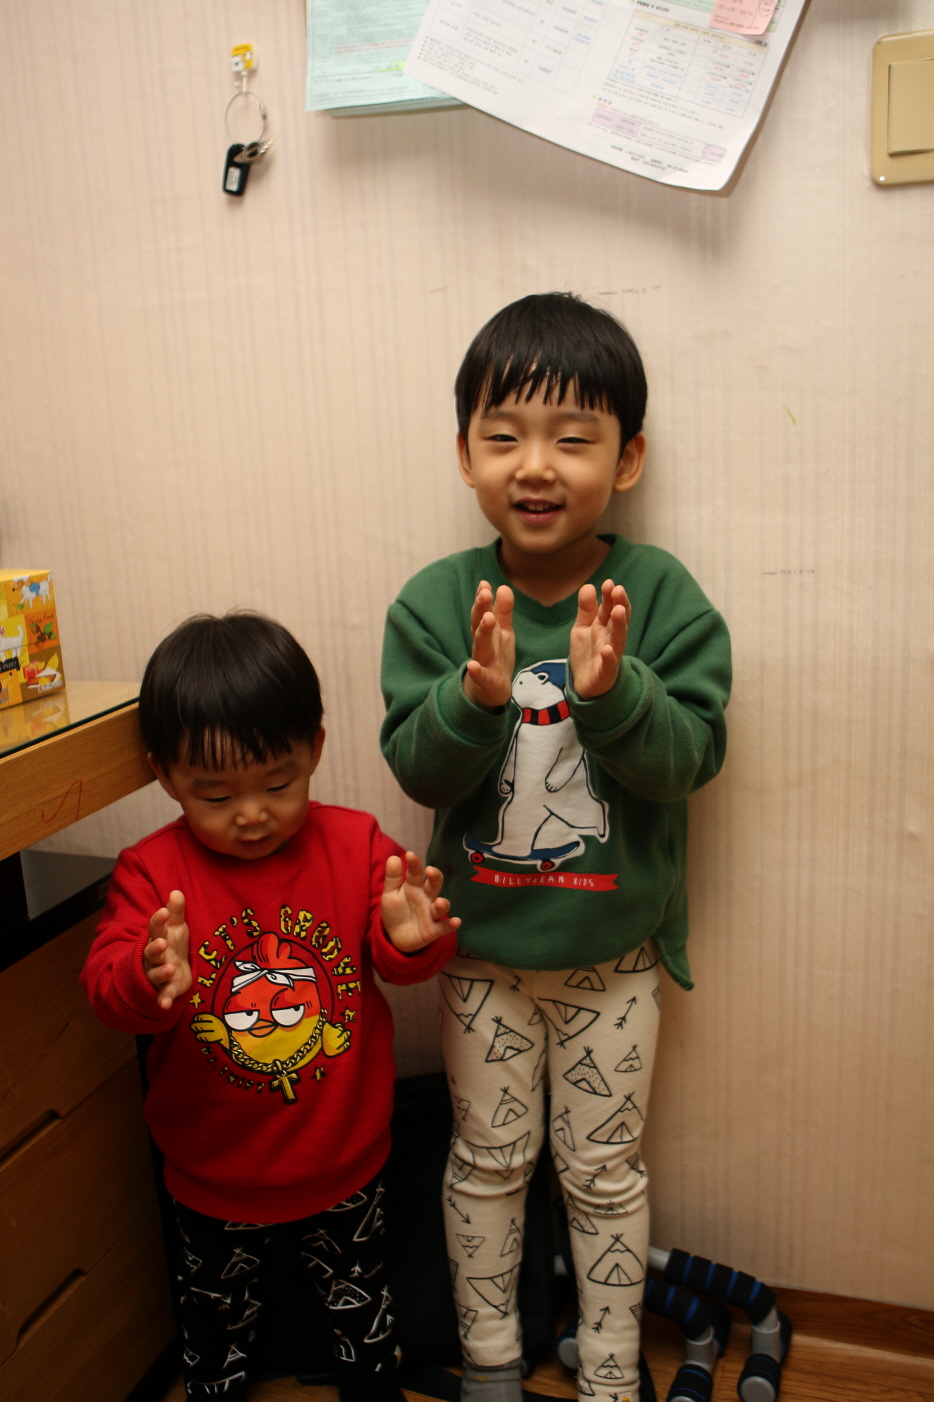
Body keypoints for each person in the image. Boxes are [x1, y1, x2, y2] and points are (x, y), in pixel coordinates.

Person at [380, 293, 731, 1402]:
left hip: (612, 961)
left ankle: (612, 1374)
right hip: (480, 957)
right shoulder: (436, 602)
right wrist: (474, 701)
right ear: (465, 454)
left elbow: (689, 759)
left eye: (572, 438)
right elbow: (419, 771)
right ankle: (491, 1365)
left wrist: (614, 693)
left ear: (626, 459)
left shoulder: (659, 596)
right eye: (504, 435)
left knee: (604, 1174)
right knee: (486, 1164)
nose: (535, 465)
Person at [82, 612, 460, 1402]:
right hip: (210, 1171)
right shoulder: (151, 873)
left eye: (278, 784)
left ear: (315, 749)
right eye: (215, 794)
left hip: (346, 1154)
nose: (251, 813)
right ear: (164, 775)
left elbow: (401, 960)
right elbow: (107, 989)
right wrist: (149, 976)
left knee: (365, 1316)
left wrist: (411, 942)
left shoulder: (355, 845)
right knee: (214, 1332)